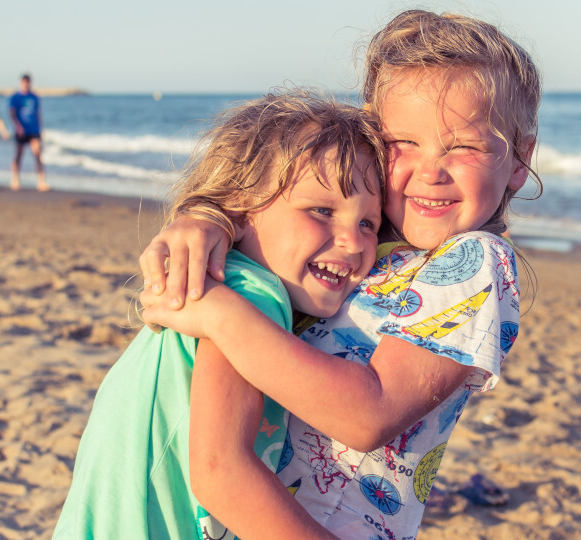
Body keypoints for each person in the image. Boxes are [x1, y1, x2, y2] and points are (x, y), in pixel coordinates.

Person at [138, 10, 540, 538]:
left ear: (518, 158)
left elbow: (367, 415)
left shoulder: (476, 261)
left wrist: (216, 310)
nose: (430, 171)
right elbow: (278, 208)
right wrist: (209, 219)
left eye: (463, 146)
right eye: (404, 144)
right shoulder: (368, 245)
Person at [53, 90, 386, 539]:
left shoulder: (237, 283)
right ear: (242, 210)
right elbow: (221, 472)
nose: (351, 240)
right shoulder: (250, 294)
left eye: (368, 223)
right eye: (321, 210)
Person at [9, 73, 49, 191]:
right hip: (21, 130)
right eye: (24, 82)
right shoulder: (15, 97)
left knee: (37, 155)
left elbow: (38, 114)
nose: (26, 84)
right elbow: (12, 113)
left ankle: (41, 182)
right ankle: (15, 180)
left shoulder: (35, 97)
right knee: (18, 155)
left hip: (34, 130)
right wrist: (17, 126)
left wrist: (41, 129)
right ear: (21, 82)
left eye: (28, 82)